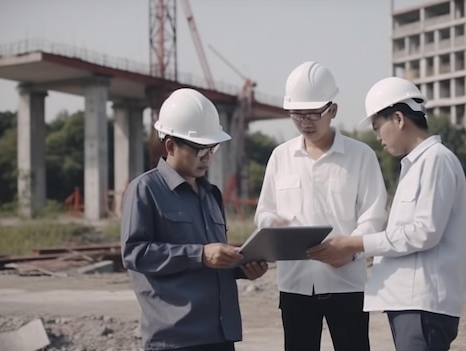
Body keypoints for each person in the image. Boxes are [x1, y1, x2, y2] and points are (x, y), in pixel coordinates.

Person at [308, 76, 466, 351]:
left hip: (422, 305)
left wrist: (354, 243)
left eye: (377, 127)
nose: (378, 137)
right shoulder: (417, 165)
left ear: (398, 118)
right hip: (411, 304)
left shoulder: (436, 161)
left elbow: (423, 233)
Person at [120, 88, 268, 351]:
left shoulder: (211, 194)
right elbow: (135, 253)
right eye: (200, 149)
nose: (208, 157)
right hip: (177, 338)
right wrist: (199, 255)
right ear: (170, 146)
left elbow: (211, 259)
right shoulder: (145, 190)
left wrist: (240, 266)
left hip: (221, 333)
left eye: (213, 148)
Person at [254, 61, 388, 351]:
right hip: (295, 284)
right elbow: (264, 212)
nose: (306, 122)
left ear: (333, 110)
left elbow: (373, 214)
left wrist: (349, 250)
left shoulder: (360, 156)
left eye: (314, 114)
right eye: (297, 115)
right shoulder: (280, 157)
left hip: (346, 283)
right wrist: (272, 225)